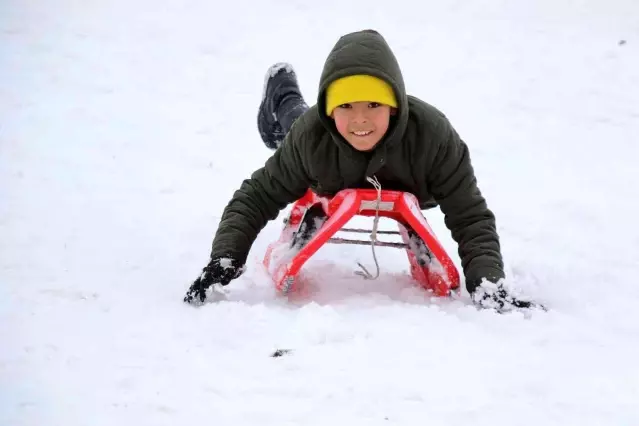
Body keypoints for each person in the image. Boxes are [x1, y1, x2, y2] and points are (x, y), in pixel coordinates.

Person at [184, 29, 537, 312]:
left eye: (374, 104)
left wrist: (487, 280)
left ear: (395, 105)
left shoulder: (432, 137)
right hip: (326, 166)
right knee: (300, 128)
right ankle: (283, 94)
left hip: (395, 170)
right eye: (346, 105)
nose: (361, 118)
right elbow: (258, 194)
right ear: (331, 110)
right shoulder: (313, 138)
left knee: (317, 134)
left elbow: (469, 213)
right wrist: (225, 257)